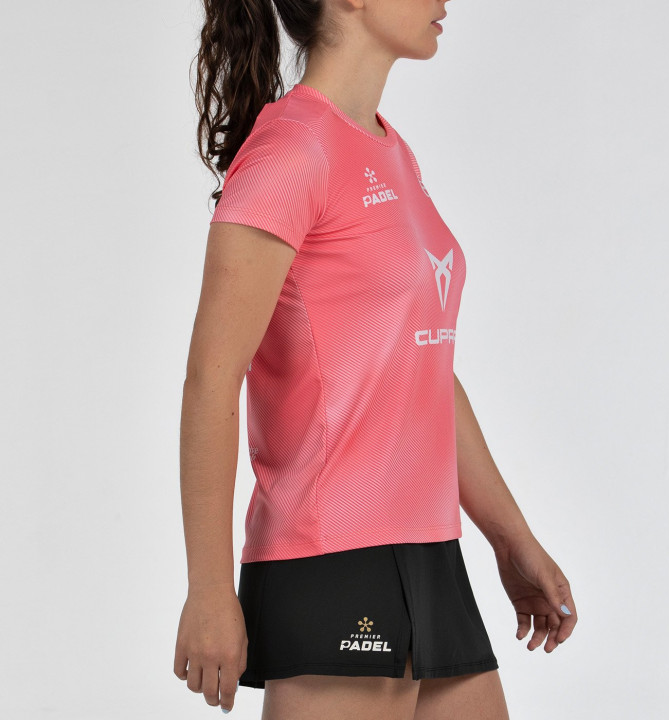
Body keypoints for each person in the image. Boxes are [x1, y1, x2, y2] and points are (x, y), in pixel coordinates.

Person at [174, 0, 578, 717]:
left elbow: (424, 372)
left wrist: (512, 539)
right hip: (331, 559)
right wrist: (209, 589)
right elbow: (212, 375)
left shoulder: (392, 151)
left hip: (430, 551)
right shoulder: (291, 151)